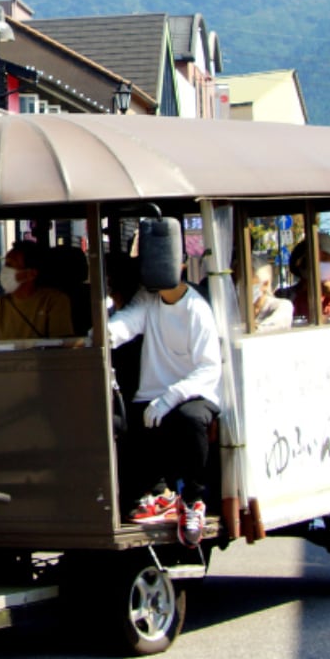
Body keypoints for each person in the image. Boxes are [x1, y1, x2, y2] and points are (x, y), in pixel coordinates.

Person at [102, 218, 221, 547]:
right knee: (122, 423)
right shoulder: (147, 300)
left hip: (194, 392)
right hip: (151, 395)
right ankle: (152, 494)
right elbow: (128, 322)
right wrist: (103, 334)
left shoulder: (197, 309)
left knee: (190, 419)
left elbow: (209, 368)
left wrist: (172, 397)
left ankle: (193, 501)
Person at [0, 240, 74, 342]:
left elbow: (60, 348)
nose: (4, 271)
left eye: (10, 265)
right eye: (5, 265)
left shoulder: (54, 301)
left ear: (31, 274)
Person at [250, 262, 294, 331]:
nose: (239, 285)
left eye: (247, 280)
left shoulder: (283, 305)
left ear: (265, 284)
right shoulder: (237, 309)